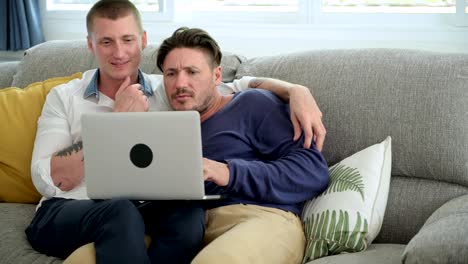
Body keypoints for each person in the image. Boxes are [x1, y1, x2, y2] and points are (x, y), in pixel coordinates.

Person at [25, 0, 327, 263]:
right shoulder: (65, 97)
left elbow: (231, 88)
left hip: (155, 214)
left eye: (127, 39)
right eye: (106, 42)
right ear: (90, 44)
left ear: (142, 40)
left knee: (185, 214)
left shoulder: (165, 91)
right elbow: (48, 179)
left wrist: (296, 90)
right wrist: (116, 124)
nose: (118, 52)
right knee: (122, 214)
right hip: (74, 209)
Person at [157, 27, 330, 264]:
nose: (180, 83)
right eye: (171, 74)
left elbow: (312, 171)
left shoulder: (251, 104)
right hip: (181, 225)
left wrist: (229, 172)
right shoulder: (160, 123)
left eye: (192, 72)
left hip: (259, 217)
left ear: (217, 76)